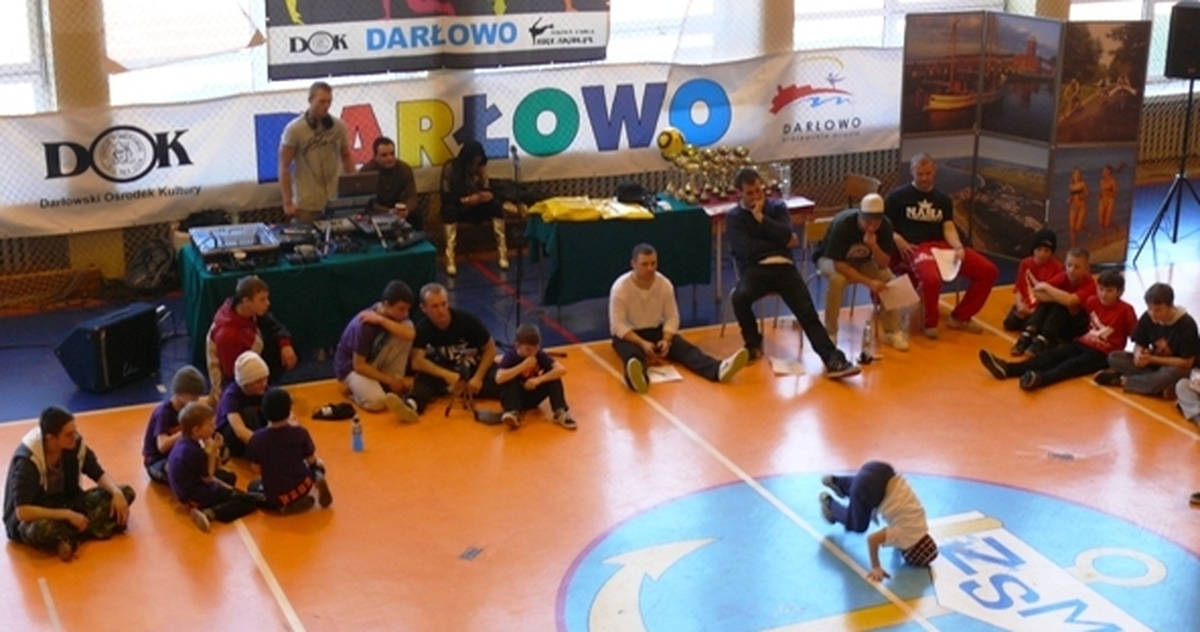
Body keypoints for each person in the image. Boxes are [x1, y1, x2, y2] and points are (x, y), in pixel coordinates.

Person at [726, 167, 860, 379]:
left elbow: (788, 235)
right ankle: (753, 343)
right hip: (755, 268)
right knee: (739, 297)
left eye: (758, 191)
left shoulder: (777, 208)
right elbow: (745, 249)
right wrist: (778, 242)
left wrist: (761, 219)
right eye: (750, 193)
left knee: (806, 311)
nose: (756, 197)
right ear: (739, 193)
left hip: (784, 266)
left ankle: (833, 359)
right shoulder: (734, 217)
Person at [884, 153, 998, 339]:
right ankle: (929, 322)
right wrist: (897, 238)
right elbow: (883, 225)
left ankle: (960, 317)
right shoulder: (897, 197)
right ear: (912, 172)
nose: (924, 178)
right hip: (916, 247)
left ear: (934, 172)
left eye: (928, 173)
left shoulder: (943, 199)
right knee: (931, 280)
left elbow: (948, 226)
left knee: (988, 271)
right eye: (920, 174)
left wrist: (958, 247)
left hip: (941, 246)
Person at [610, 243, 750, 392]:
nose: (650, 268)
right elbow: (617, 325)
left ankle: (718, 370)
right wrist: (642, 343)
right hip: (629, 335)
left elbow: (672, 318)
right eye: (644, 264)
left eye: (653, 263)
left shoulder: (664, 285)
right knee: (633, 355)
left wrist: (666, 340)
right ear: (633, 264)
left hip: (656, 331)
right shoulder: (620, 288)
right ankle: (637, 378)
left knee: (686, 350)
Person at [3, 406, 135, 561]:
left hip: (67, 501)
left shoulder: (74, 445)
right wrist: (67, 515)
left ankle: (68, 538)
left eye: (75, 431)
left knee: (126, 493)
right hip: (38, 512)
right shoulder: (28, 461)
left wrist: (116, 492)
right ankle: (92, 527)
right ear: (51, 438)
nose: (75, 436)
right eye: (69, 434)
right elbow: (22, 512)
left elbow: (97, 473)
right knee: (39, 529)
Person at [979, 270, 1137, 391]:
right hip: (1083, 342)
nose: (1104, 294)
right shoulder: (1092, 301)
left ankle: (1039, 379)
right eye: (1101, 289)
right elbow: (1075, 311)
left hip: (1102, 353)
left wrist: (1132, 357)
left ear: (1119, 292)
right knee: (1051, 356)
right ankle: (1008, 368)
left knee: (1069, 366)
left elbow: (1136, 335)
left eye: (1109, 291)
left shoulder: (1126, 310)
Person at [816, 192, 909, 351]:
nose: (871, 227)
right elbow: (839, 265)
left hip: (862, 261)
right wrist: (868, 282)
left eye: (876, 223)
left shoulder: (885, 226)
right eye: (867, 222)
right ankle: (830, 332)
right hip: (830, 259)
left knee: (888, 277)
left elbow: (884, 263)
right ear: (859, 216)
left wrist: (874, 246)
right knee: (838, 280)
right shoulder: (844, 224)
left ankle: (892, 330)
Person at [819, 461, 938, 582]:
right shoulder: (906, 538)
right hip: (868, 489)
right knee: (858, 524)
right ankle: (830, 506)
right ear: (910, 551)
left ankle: (838, 482)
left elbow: (902, 521)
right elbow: (872, 540)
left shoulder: (921, 524)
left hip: (882, 471)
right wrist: (876, 567)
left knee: (863, 488)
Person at [333, 280, 419, 424]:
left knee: (406, 327)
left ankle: (390, 381)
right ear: (386, 304)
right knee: (377, 402)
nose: (405, 313)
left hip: (373, 359)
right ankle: (353, 391)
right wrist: (389, 380)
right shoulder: (364, 326)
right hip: (352, 368)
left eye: (407, 309)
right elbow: (359, 366)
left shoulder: (391, 317)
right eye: (402, 309)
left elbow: (410, 335)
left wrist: (381, 320)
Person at [408, 283, 501, 414]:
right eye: (434, 306)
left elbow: (490, 349)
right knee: (423, 380)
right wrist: (446, 375)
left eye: (443, 304)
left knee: (501, 381)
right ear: (423, 308)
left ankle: (515, 407)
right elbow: (417, 362)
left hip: (472, 370)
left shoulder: (467, 321)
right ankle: (412, 405)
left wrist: (478, 378)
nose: (441, 310)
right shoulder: (422, 328)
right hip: (445, 373)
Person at [1095, 283, 1198, 400]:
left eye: (1158, 310)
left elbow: (1187, 363)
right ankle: (1159, 387)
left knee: (1171, 374)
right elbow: (1139, 343)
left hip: (1174, 368)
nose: (1153, 313)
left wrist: (1152, 359)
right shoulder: (1148, 317)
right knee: (1114, 357)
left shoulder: (1186, 324)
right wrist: (1138, 354)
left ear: (1170, 306)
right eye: (1150, 309)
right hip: (1153, 365)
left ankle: (1123, 380)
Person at [168, 402, 260, 533]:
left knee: (229, 478)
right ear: (196, 430)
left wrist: (228, 488)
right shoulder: (193, 452)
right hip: (195, 496)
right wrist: (212, 452)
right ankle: (210, 512)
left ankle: (218, 502)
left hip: (187, 490)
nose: (214, 427)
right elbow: (208, 478)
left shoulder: (184, 443)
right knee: (248, 502)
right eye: (210, 425)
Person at [206, 275, 296, 399]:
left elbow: (273, 325)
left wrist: (285, 345)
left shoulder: (246, 310)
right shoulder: (228, 334)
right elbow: (233, 375)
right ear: (246, 301)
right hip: (233, 378)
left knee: (283, 346)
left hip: (248, 356)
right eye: (262, 299)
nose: (268, 303)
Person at [279, 81, 356, 224]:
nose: (326, 106)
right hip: (306, 205)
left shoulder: (338, 126)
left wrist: (356, 188)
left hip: (334, 201)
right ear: (310, 100)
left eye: (329, 102)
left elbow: (346, 155)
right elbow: (284, 166)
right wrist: (287, 202)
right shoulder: (294, 129)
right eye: (322, 101)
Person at [245, 388, 332, 513]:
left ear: (263, 411)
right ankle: (316, 477)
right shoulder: (300, 432)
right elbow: (311, 459)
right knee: (317, 466)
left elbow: (256, 469)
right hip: (303, 486)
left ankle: (285, 506)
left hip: (277, 494)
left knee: (253, 487)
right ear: (289, 410)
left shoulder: (256, 439)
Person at [1009, 247, 1095, 356]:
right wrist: (1058, 296)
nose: (1071, 270)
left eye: (1077, 267)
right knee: (1051, 302)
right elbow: (1037, 293)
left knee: (1060, 305)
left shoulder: (1090, 284)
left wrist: (1047, 287)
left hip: (1077, 324)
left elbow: (1070, 301)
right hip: (1062, 318)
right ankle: (1029, 332)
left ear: (1086, 269)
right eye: (1069, 265)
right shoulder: (1064, 276)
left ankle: (1045, 338)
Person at [440, 140, 508, 275]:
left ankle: (503, 253)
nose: (475, 165)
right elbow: (445, 196)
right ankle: (450, 258)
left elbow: (486, 187)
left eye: (478, 162)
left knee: (496, 205)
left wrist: (486, 195)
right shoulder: (450, 168)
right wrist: (466, 200)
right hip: (459, 206)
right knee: (449, 211)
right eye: (473, 162)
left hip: (477, 206)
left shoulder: (481, 168)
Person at [495, 324, 576, 430]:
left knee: (553, 376)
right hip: (515, 397)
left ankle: (559, 411)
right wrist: (524, 365)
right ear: (517, 346)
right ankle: (513, 412)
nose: (532, 353)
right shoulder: (511, 356)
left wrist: (538, 380)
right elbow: (499, 378)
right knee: (509, 379)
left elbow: (561, 369)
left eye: (536, 348)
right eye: (528, 350)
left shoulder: (538, 354)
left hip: (532, 394)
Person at [142, 366, 207, 484]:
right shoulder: (163, 413)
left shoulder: (188, 409)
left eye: (197, 397)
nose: (196, 401)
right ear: (179, 392)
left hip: (175, 455)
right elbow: (162, 446)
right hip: (156, 461)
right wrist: (184, 432)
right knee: (183, 473)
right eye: (193, 397)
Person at [1003, 228, 1063, 334]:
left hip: (1041, 308)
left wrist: (1032, 311)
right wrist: (1019, 305)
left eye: (1046, 251)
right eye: (1039, 249)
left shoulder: (1057, 268)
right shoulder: (1025, 263)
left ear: (1051, 253)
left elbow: (1052, 297)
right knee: (1010, 323)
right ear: (1033, 250)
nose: (1042, 254)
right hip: (1026, 304)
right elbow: (1018, 288)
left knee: (1032, 326)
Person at [216, 351, 271, 458]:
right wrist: (266, 448)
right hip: (233, 436)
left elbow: (285, 417)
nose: (264, 384)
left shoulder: (264, 390)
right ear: (245, 383)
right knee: (248, 412)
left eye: (265, 379)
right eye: (258, 381)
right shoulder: (231, 396)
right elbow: (240, 431)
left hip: (256, 433)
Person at [360, 136, 420, 229]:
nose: (390, 158)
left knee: (416, 215)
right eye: (384, 155)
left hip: (397, 207)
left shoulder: (404, 169)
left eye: (392, 154)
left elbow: (412, 197)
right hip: (376, 209)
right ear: (375, 157)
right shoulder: (366, 171)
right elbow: (365, 202)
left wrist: (406, 210)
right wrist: (387, 211)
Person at [1068, 167, 1089, 249]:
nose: (1076, 176)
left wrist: (1082, 196)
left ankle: (1087, 229)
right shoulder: (1071, 185)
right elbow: (1071, 195)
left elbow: (1087, 193)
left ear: (1080, 175)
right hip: (1073, 206)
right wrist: (1069, 199)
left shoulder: (1083, 184)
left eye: (1078, 174)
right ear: (1073, 175)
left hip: (1081, 206)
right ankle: (1073, 246)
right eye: (1075, 174)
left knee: (1078, 227)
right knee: (1072, 228)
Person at [1097, 165, 1117, 246]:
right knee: (1101, 222)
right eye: (1103, 170)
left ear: (1109, 172)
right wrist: (1099, 195)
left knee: (1106, 223)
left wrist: (1107, 191)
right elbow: (1100, 191)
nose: (1103, 172)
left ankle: (1114, 226)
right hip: (1102, 201)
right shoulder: (1101, 181)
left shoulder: (1113, 181)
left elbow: (1114, 194)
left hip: (1110, 201)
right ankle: (1104, 239)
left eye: (1105, 170)